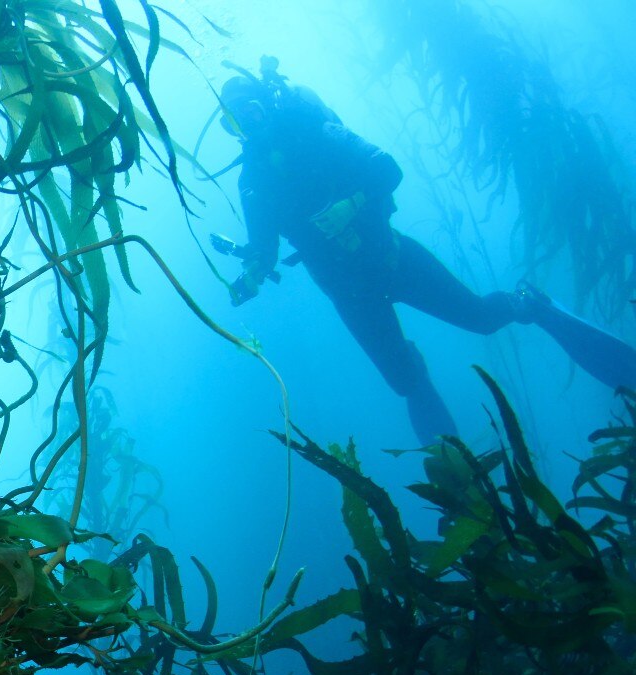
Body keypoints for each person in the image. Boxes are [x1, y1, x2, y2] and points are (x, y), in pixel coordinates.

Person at [220, 62, 636, 442]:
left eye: (252, 111)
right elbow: (265, 247)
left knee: (481, 319)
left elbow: (388, 168)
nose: (247, 125)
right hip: (349, 294)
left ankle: (531, 305)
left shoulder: (317, 132)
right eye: (235, 120)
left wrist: (352, 204)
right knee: (404, 381)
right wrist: (254, 272)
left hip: (396, 260)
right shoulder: (251, 182)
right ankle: (458, 477)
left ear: (268, 105)